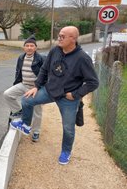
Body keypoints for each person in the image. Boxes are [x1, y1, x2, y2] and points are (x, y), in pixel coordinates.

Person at [10, 26, 99, 165]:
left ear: (73, 39)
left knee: (68, 129)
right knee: (26, 100)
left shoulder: (82, 58)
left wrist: (76, 94)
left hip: (68, 98)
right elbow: (44, 69)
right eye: (59, 35)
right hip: (49, 90)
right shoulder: (55, 50)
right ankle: (26, 125)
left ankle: (66, 151)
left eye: (63, 36)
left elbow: (93, 82)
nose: (59, 38)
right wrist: (36, 86)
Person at [3, 36, 45, 142]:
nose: (29, 48)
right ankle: (19, 111)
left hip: (36, 88)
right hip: (23, 85)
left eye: (32, 46)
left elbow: (45, 75)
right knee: (7, 94)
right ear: (24, 48)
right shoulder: (21, 57)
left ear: (35, 48)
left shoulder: (41, 59)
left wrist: (39, 87)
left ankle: (36, 132)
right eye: (27, 45)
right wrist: (16, 83)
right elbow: (18, 72)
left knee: (37, 110)